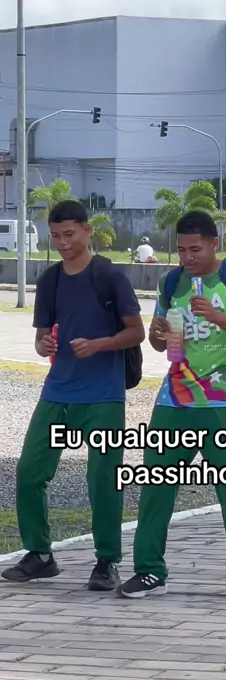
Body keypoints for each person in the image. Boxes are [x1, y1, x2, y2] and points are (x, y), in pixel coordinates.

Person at [116, 210, 226, 603]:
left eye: (195, 249)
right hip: (174, 399)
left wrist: (216, 315)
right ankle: (149, 571)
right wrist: (158, 334)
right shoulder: (170, 282)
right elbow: (161, 345)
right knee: (156, 484)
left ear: (214, 244)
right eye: (181, 250)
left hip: (224, 399)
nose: (188, 257)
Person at [2, 200, 145, 591]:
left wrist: (99, 345)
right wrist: (43, 344)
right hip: (58, 391)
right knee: (30, 471)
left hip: (104, 395)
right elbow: (40, 338)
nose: (63, 243)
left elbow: (136, 332)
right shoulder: (50, 280)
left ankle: (107, 562)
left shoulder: (109, 276)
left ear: (86, 231)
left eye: (69, 234)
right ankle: (40, 555)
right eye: (56, 236)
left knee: (103, 477)